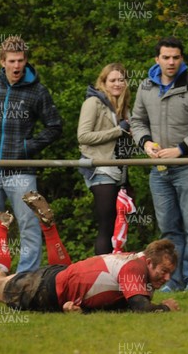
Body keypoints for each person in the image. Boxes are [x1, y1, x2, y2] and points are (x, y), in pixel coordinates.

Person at [0, 191, 180, 313]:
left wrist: (80, 309)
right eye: (163, 270)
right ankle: (0, 224)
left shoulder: (138, 261)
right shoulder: (135, 268)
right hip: (46, 289)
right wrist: (165, 308)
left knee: (65, 273)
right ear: (150, 262)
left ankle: (47, 229)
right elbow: (140, 308)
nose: (167, 277)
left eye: (170, 272)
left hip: (60, 279)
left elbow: (117, 303)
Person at [0, 36, 62, 273]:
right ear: (2, 62)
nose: (17, 66)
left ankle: (25, 276)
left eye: (20, 60)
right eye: (12, 61)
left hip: (20, 171)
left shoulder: (38, 91)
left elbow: (55, 126)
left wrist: (28, 147)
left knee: (29, 224)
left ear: (25, 60)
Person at [131, 37, 188, 292]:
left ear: (182, 59)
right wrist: (145, 143)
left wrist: (180, 149)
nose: (171, 62)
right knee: (168, 230)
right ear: (156, 59)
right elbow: (137, 121)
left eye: (175, 57)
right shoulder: (145, 87)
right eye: (166, 57)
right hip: (158, 170)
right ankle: (173, 280)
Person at [78, 63, 135, 255]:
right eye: (112, 80)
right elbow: (83, 136)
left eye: (121, 80)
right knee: (107, 224)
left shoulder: (123, 106)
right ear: (103, 82)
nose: (117, 84)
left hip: (120, 170)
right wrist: (118, 130)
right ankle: (100, 274)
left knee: (120, 222)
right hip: (99, 168)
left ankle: (115, 271)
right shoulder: (92, 102)